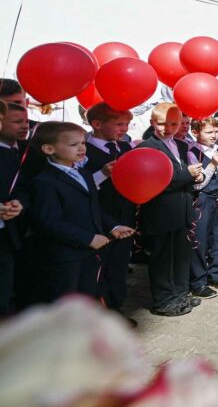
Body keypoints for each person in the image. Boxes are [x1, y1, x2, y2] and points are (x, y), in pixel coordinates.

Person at [24, 123, 132, 303]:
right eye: (73, 145)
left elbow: (93, 208)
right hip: (65, 258)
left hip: (90, 253)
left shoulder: (85, 174)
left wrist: (113, 226)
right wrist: (88, 238)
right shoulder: (44, 181)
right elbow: (49, 222)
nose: (82, 148)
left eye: (83, 143)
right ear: (49, 148)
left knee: (89, 297)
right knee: (67, 302)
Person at [136, 104, 197, 317]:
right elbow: (156, 180)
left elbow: (181, 172)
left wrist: (194, 176)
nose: (168, 128)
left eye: (174, 124)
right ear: (153, 123)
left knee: (180, 255)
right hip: (160, 212)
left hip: (181, 209)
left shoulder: (179, 146)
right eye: (162, 123)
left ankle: (180, 293)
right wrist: (188, 174)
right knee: (162, 258)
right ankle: (163, 300)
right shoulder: (146, 147)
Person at [81, 104, 136, 320]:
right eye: (119, 124)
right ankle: (100, 313)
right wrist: (103, 174)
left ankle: (117, 309)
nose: (124, 129)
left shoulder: (125, 148)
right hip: (99, 219)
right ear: (97, 124)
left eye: (127, 124)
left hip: (125, 216)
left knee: (119, 266)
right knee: (99, 268)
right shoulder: (84, 151)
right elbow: (81, 186)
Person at [188, 117, 218, 297]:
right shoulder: (194, 152)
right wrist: (212, 164)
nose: (214, 136)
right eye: (209, 132)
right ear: (196, 133)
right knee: (200, 240)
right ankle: (198, 281)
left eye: (216, 132)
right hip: (203, 198)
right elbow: (198, 184)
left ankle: (216, 274)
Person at [0, 102, 23, 316]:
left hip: (9, 233)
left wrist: (18, 203)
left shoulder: (23, 151)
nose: (24, 126)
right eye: (17, 122)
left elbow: (24, 185)